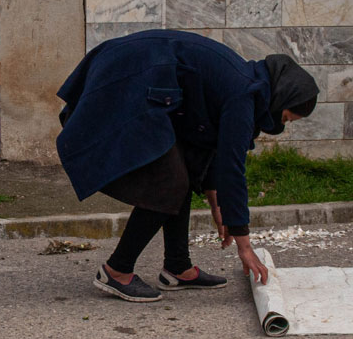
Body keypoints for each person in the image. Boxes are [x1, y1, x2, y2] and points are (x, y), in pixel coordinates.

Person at [56, 30, 319, 302]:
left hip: (143, 76)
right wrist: (244, 246)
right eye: (286, 118)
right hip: (127, 76)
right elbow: (233, 168)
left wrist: (215, 199)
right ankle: (116, 270)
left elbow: (212, 147)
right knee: (168, 181)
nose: (281, 126)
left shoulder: (248, 85)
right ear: (282, 98)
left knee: (182, 171)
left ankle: (177, 267)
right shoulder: (244, 94)